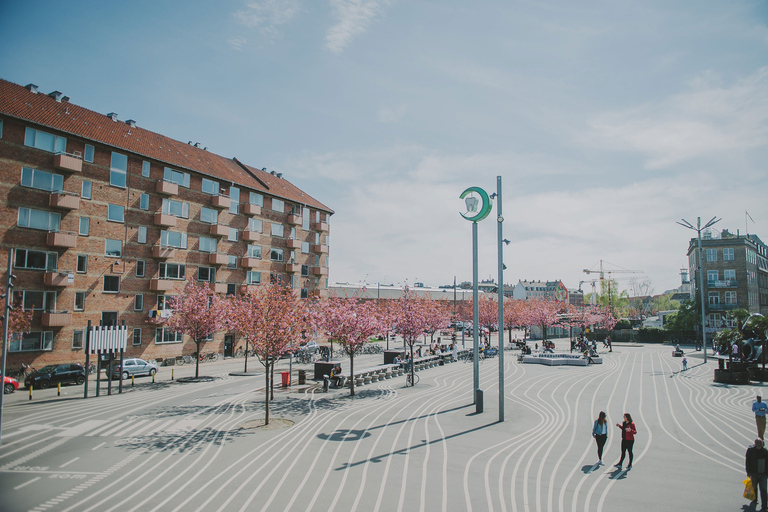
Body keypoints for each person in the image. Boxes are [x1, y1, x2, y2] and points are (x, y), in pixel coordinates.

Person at [746, 438, 768, 511]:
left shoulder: (765, 452)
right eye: (757, 443)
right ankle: (755, 500)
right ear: (755, 443)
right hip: (754, 473)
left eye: (760, 443)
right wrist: (748, 471)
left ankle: (764, 505)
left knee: (764, 489)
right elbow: (747, 461)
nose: (759, 445)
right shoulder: (751, 451)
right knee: (754, 487)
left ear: (762, 444)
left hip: (763, 474)